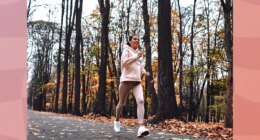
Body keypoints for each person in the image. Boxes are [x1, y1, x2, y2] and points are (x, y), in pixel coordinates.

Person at [114, 35, 150, 138]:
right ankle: (117, 120)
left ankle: (141, 127)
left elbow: (140, 66)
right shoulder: (127, 50)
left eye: (138, 39)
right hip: (126, 80)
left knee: (141, 100)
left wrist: (144, 72)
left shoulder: (139, 53)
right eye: (134, 39)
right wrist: (136, 57)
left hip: (137, 82)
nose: (137, 40)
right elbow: (124, 63)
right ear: (130, 41)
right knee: (121, 103)